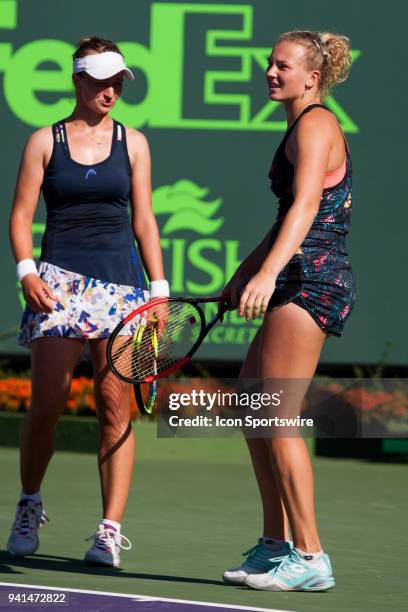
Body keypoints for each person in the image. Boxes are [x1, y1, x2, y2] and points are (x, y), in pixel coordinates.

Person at [7, 37, 168, 567]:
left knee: (114, 410)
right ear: (78, 80)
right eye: (100, 79)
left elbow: (143, 219)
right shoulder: (44, 141)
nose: (110, 90)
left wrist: (159, 290)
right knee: (47, 406)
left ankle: (108, 529)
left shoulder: (136, 143)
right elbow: (21, 214)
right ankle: (29, 503)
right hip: (57, 284)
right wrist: (27, 272)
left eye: (117, 80)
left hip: (122, 288)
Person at [221, 31, 355, 591]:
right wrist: (246, 271)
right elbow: (287, 218)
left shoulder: (318, 124)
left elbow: (305, 208)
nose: (271, 72)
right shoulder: (300, 125)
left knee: (275, 412)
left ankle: (310, 555)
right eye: (269, 63)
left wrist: (270, 273)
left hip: (311, 280)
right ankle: (276, 544)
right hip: (294, 273)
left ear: (312, 76)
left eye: (283, 65)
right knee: (252, 399)